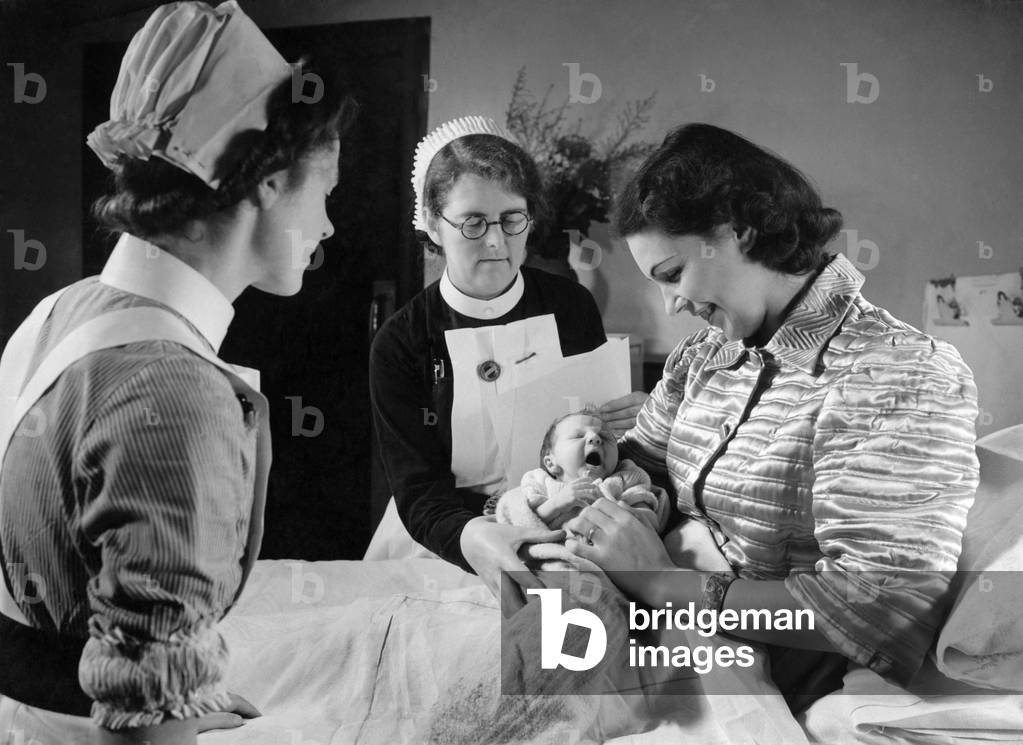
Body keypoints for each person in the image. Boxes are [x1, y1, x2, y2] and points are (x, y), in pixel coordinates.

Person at [0, 2, 354, 743]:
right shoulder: (173, 390)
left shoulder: (62, 310)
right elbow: (145, 718)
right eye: (324, 192)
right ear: (269, 182)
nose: (327, 226)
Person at [564, 123, 980, 708]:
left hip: (761, 667)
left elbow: (877, 609)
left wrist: (664, 582)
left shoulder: (896, 374)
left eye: (673, 274)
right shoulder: (704, 354)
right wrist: (610, 494)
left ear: (741, 230)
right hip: (657, 628)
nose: (671, 305)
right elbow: (642, 460)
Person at [368, 116, 647, 606]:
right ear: (433, 223)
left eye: (512, 219)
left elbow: (599, 448)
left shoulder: (571, 306)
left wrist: (634, 425)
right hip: (451, 539)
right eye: (473, 222)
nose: (495, 241)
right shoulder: (401, 342)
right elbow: (421, 494)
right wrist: (486, 536)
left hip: (570, 522)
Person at [492, 410, 664, 534]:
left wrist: (612, 506)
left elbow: (649, 524)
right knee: (529, 577)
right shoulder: (540, 482)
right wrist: (557, 504)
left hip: (609, 562)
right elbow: (525, 524)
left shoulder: (627, 478)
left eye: (604, 438)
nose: (595, 438)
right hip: (557, 560)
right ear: (551, 463)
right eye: (577, 436)